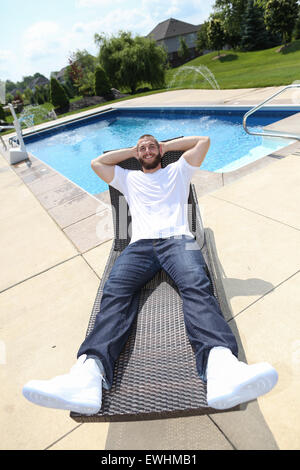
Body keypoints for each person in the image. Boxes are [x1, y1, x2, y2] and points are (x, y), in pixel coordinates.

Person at [22, 135, 278, 414]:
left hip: (178, 240)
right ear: (137, 154)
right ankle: (87, 375)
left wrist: (166, 146)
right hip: (139, 246)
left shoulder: (178, 169)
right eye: (142, 147)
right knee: (115, 294)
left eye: (151, 146)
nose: (147, 150)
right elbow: (97, 162)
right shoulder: (127, 178)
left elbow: (203, 141)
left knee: (197, 288)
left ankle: (221, 368)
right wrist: (132, 151)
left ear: (160, 151)